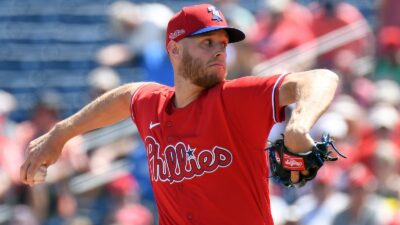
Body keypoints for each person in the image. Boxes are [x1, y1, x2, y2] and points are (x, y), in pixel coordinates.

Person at [20, 4, 339, 225]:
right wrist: (61, 133)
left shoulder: (234, 98)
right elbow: (124, 96)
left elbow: (322, 78)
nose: (219, 50)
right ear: (173, 49)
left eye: (224, 44)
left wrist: (298, 124)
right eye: (207, 41)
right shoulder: (153, 104)